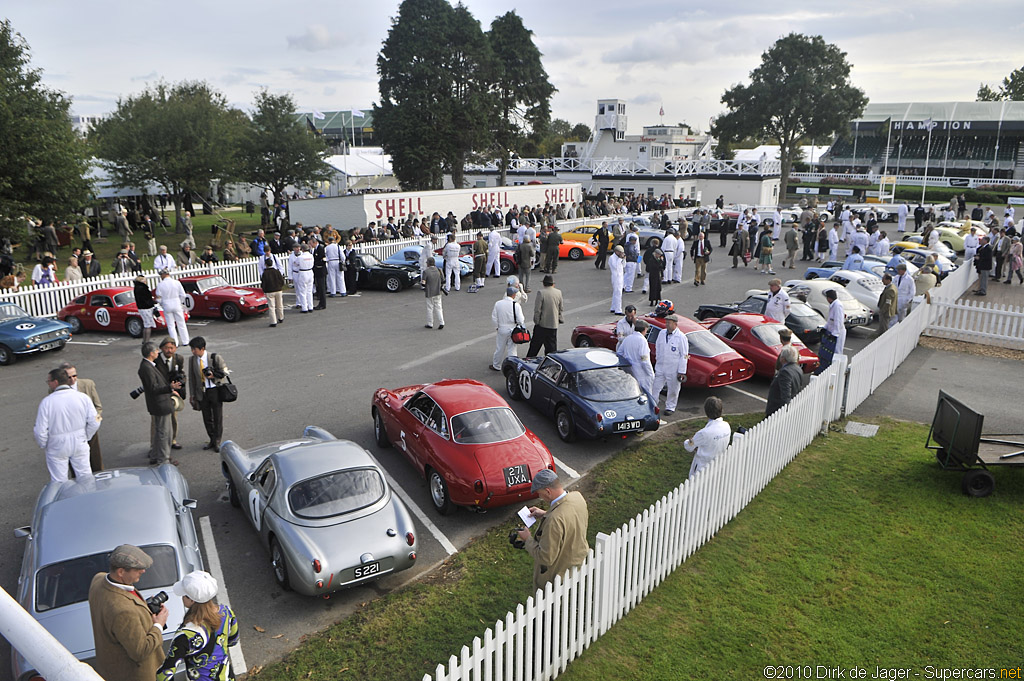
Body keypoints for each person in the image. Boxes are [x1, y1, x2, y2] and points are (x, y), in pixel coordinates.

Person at [88, 544, 170, 681]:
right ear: (120, 572)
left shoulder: (98, 580)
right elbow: (140, 651)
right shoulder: (123, 611)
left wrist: (142, 609)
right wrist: (158, 625)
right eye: (138, 569)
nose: (143, 571)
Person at [515, 469, 589, 593]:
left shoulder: (554, 520)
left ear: (548, 491)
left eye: (539, 493)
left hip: (558, 579)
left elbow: (545, 558)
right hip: (577, 566)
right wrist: (545, 513)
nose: (539, 497)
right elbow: (570, 517)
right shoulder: (577, 497)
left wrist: (527, 539)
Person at [156, 571, 239, 681]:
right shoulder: (227, 613)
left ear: (191, 600)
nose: (182, 598)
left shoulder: (185, 634)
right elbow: (233, 640)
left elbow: (164, 675)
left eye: (183, 595)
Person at [34, 367, 99, 483]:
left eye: (48, 381)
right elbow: (95, 421)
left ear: (55, 382)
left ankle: (64, 500)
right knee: (85, 476)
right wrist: (86, 436)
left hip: (57, 444)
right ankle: (88, 498)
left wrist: (44, 444)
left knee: (59, 481)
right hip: (80, 440)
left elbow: (40, 430)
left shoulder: (47, 402)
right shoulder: (82, 397)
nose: (48, 384)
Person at [139, 341, 182, 465]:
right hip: (159, 404)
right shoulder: (146, 368)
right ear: (151, 353)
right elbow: (153, 388)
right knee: (164, 433)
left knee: (160, 432)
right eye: (157, 351)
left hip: (159, 403)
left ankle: (155, 455)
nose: (158, 352)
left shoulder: (148, 365)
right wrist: (170, 387)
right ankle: (163, 459)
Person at [58, 361, 104, 471]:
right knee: (76, 465)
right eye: (69, 377)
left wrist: (95, 423)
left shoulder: (88, 384)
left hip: (90, 429)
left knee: (95, 461)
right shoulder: (56, 390)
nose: (73, 379)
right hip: (71, 432)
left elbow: (99, 408)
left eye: (75, 376)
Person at [188, 337, 229, 453]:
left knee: (217, 417)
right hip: (202, 392)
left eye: (194, 349)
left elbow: (225, 372)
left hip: (214, 390)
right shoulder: (192, 360)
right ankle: (211, 438)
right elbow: (192, 379)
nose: (193, 351)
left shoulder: (214, 358)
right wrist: (192, 395)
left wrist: (213, 376)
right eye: (192, 349)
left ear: (202, 348)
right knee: (207, 417)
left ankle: (217, 440)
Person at [683, 397, 731, 478]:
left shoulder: (703, 433)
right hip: (718, 464)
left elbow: (689, 446)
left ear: (706, 412)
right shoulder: (726, 426)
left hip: (702, 468)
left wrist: (690, 441)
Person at [154, 337, 187, 451]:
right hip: (160, 393)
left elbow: (182, 374)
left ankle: (173, 440)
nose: (169, 350)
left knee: (174, 417)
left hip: (174, 393)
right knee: (157, 421)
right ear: (161, 348)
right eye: (167, 348)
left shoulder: (179, 359)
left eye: (172, 348)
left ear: (175, 348)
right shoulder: (156, 360)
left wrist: (180, 383)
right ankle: (154, 445)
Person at [652, 314, 688, 416]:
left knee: (673, 389)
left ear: (675, 324)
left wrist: (681, 371)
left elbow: (684, 355)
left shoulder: (681, 337)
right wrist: (657, 359)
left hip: (673, 368)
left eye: (669, 322)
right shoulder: (662, 333)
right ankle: (653, 405)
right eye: (666, 322)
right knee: (655, 387)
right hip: (661, 366)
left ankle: (670, 407)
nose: (667, 324)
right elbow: (658, 347)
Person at [526, 275, 563, 357]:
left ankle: (528, 361)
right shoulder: (558, 292)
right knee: (551, 347)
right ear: (553, 284)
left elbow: (537, 309)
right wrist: (559, 319)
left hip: (542, 324)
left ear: (544, 284)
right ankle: (551, 363)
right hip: (553, 324)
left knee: (535, 346)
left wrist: (537, 321)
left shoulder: (541, 293)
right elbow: (560, 308)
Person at [617, 319, 654, 398]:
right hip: (642, 373)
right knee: (646, 395)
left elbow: (619, 353)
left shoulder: (627, 338)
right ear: (644, 329)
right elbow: (645, 360)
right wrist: (650, 373)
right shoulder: (642, 340)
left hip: (630, 371)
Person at [491, 285, 525, 371]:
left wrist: (497, 327)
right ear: (513, 295)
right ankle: (511, 366)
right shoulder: (516, 305)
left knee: (500, 348)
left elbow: (494, 318)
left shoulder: (498, 303)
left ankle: (496, 365)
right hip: (513, 329)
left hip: (502, 328)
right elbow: (521, 320)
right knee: (512, 349)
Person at [766, 346, 804, 417]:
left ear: (783, 359)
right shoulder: (798, 369)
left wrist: (784, 412)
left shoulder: (785, 372)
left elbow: (785, 394)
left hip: (776, 410)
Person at [155, 269, 190, 346]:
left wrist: (162, 303)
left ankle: (175, 343)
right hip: (176, 303)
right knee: (181, 323)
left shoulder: (160, 285)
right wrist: (180, 302)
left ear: (163, 275)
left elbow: (158, 298)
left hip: (167, 305)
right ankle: (185, 341)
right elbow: (183, 295)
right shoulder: (177, 283)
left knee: (171, 325)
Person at [815, 289, 846, 374]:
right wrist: (825, 328)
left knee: (836, 352)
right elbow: (830, 320)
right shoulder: (833, 305)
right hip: (832, 331)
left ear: (829, 298)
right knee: (829, 352)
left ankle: (836, 371)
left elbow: (838, 321)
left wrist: (835, 334)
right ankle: (827, 368)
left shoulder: (837, 306)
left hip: (837, 333)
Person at [261, 256, 285, 327]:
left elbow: (263, 283)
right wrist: (280, 286)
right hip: (278, 290)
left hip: (269, 291)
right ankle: (281, 317)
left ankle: (273, 321)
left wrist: (264, 290)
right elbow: (281, 280)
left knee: (271, 306)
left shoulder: (265, 273)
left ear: (266, 264)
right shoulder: (277, 271)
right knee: (279, 305)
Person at [292, 243, 314, 312]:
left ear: (302, 249)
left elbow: (295, 264)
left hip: (303, 272)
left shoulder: (300, 257)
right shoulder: (311, 256)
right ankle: (310, 306)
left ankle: (304, 308)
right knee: (309, 291)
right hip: (310, 271)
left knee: (302, 291)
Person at [423, 260, 444, 330]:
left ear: (428, 263)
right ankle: (441, 322)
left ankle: (430, 323)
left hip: (429, 292)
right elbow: (443, 280)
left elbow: (423, 283)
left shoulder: (426, 272)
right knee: (439, 308)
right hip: (438, 292)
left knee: (430, 308)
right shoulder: (439, 270)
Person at [643, 239, 665, 306]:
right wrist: (661, 262)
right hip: (653, 275)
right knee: (653, 288)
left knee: (658, 288)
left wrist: (662, 274)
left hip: (657, 275)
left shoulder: (650, 252)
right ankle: (652, 300)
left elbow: (660, 267)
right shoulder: (652, 260)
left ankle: (657, 300)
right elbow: (656, 266)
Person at [609, 245, 626, 315]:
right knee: (618, 293)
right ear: (616, 251)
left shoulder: (619, 258)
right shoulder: (612, 258)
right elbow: (615, 266)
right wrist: (620, 259)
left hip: (620, 276)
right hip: (616, 277)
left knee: (616, 292)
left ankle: (613, 307)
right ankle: (618, 310)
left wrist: (624, 259)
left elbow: (624, 265)